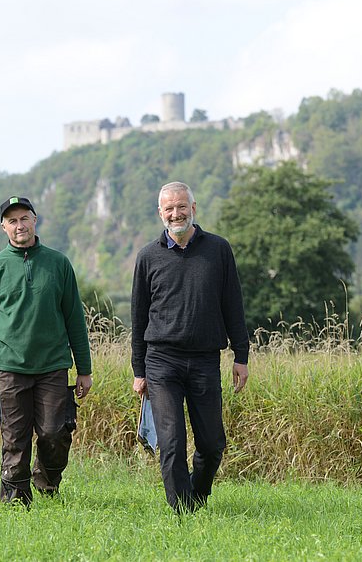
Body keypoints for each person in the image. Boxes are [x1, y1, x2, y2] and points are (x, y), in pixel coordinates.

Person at [0, 196, 93, 508]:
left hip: (53, 366)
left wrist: (84, 369)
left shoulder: (59, 264)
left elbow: (75, 319)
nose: (19, 225)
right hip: (9, 367)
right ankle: (15, 501)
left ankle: (47, 483)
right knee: (15, 437)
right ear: (3, 227)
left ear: (35, 220)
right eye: (12, 221)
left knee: (55, 433)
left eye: (24, 218)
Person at [131, 181, 250, 514]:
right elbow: (138, 318)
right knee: (171, 442)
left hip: (205, 360)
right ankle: (182, 512)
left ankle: (197, 496)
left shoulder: (218, 249)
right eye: (169, 208)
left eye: (181, 206)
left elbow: (234, 306)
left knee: (212, 444)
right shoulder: (147, 257)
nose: (175, 213)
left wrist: (241, 355)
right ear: (160, 213)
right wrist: (138, 370)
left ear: (193, 208)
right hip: (161, 361)